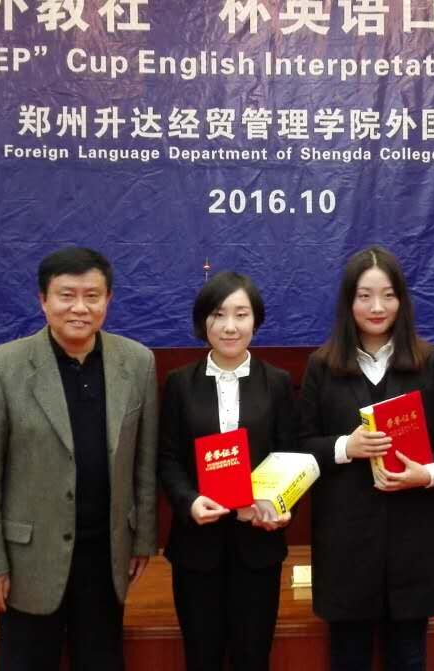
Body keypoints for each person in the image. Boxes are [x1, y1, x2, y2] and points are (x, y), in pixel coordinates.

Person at [0, 246, 159, 671]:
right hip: (29, 561)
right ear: (43, 300)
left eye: (92, 296)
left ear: (108, 300)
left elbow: (144, 461)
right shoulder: (0, 368)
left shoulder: (137, 362)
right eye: (67, 295)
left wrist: (141, 539)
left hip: (106, 557)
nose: (80, 308)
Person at [296, 245, 434, 671]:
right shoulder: (322, 365)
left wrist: (428, 473)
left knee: (409, 656)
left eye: (388, 295)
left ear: (402, 301)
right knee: (348, 657)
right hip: (346, 542)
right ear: (348, 302)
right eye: (365, 296)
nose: (377, 307)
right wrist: (345, 447)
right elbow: (300, 445)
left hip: (413, 538)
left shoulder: (427, 361)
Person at [157, 271, 298, 671]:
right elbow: (167, 458)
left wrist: (281, 505)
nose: (230, 326)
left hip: (258, 546)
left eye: (241, 314)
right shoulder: (180, 383)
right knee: (201, 657)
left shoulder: (278, 383)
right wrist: (189, 502)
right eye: (218, 314)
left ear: (256, 320)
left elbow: (291, 454)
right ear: (203, 321)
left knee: (253, 657)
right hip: (197, 548)